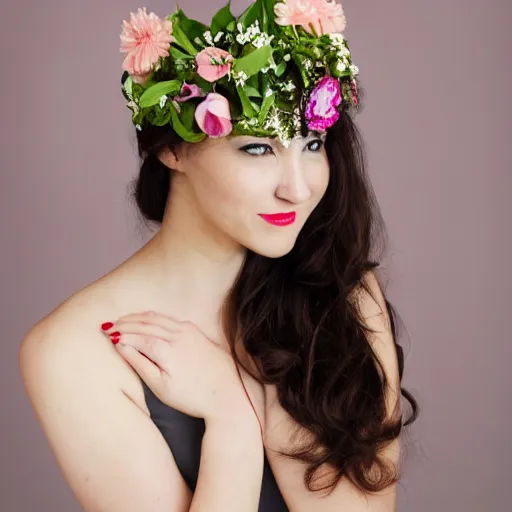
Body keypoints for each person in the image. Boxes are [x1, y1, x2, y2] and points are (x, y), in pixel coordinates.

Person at [19, 1, 419, 511]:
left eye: (312, 143)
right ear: (172, 150)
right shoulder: (71, 351)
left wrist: (246, 397)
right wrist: (231, 424)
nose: (297, 189)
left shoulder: (344, 294)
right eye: (257, 148)